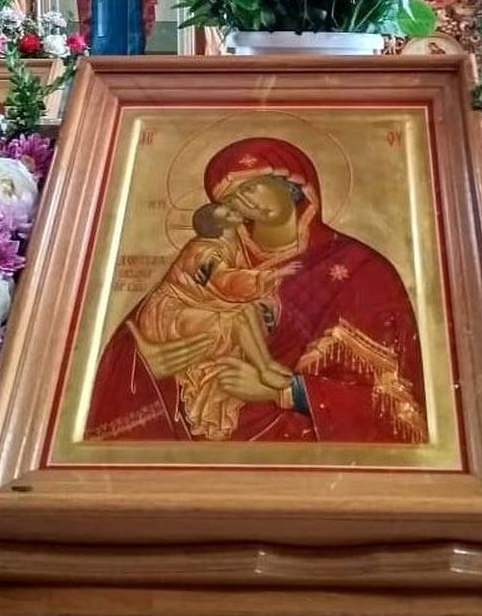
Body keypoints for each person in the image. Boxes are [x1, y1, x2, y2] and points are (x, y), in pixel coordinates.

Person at [85, 138, 428, 444]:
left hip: (303, 457)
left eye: (253, 186)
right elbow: (148, 331)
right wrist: (147, 366)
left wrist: (288, 392)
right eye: (233, 197)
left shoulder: (360, 269)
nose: (246, 201)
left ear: (293, 183)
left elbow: (397, 401)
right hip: (195, 451)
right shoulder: (213, 253)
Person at [135, 202, 299, 441]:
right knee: (234, 319)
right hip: (170, 312)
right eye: (228, 213)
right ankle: (264, 369)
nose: (236, 212)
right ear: (217, 224)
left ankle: (265, 365)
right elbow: (224, 280)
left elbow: (233, 290)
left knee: (245, 311)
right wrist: (272, 275)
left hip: (201, 306)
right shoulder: (203, 250)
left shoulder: (231, 245)